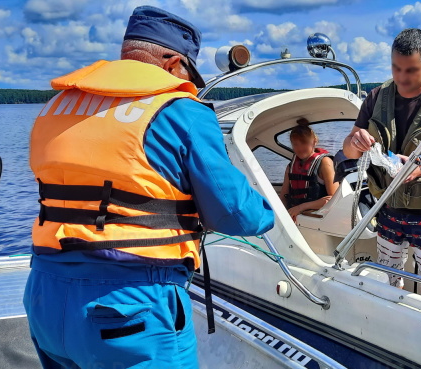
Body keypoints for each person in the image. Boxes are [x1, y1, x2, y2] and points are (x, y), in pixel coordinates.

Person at [23, 6, 274, 369]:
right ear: (173, 63)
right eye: (189, 71)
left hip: (45, 296)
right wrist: (272, 213)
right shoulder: (181, 111)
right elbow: (235, 214)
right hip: (129, 306)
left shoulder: (57, 107)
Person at [342, 28, 421, 297]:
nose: (402, 78)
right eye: (396, 68)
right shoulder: (377, 97)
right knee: (390, 281)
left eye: (411, 70)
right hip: (387, 207)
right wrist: (355, 141)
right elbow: (349, 150)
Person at [279, 121, 338, 220]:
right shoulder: (290, 166)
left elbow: (335, 198)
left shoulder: (325, 163)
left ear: (314, 141)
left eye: (304, 143)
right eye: (295, 144)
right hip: (296, 216)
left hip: (318, 218)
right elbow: (283, 197)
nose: (300, 148)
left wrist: (301, 207)